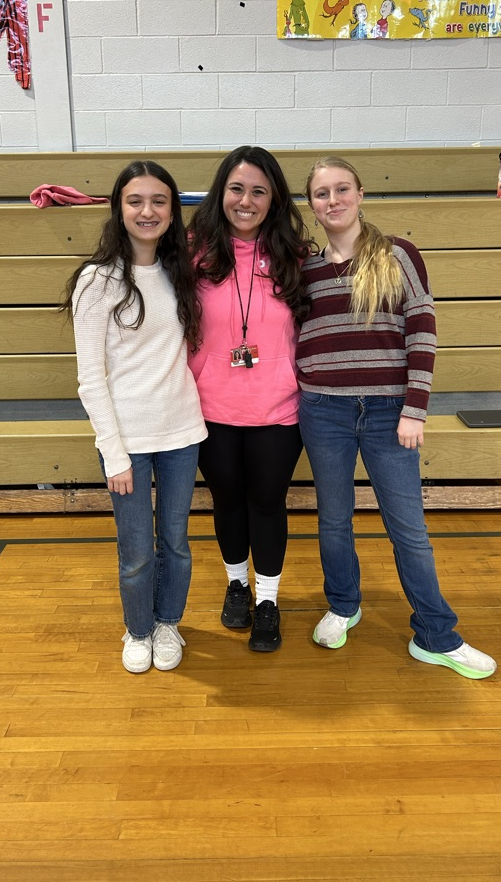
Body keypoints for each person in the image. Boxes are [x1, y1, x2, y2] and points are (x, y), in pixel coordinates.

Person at [296, 156, 497, 679]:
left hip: (390, 414)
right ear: (311, 205)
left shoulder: (397, 255)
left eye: (342, 189)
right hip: (323, 411)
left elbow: (422, 329)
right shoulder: (306, 270)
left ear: (361, 194)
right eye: (322, 193)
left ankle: (436, 634)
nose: (333, 200)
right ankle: (343, 605)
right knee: (333, 520)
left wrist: (415, 408)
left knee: (408, 529)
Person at [64, 161, 207, 675]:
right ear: (119, 209)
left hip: (182, 433)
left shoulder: (180, 272)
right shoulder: (96, 280)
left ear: (172, 211)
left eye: (159, 201)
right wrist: (114, 452)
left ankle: (168, 623)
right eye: (136, 201)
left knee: (175, 543)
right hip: (126, 440)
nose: (148, 211)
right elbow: (90, 378)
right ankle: (139, 629)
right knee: (137, 551)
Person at [188, 146, 312, 652]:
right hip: (209, 409)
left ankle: (268, 601)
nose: (246, 200)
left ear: (274, 200)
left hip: (278, 411)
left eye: (259, 191)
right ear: (221, 193)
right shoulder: (192, 253)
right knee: (227, 501)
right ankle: (237, 585)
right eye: (237, 189)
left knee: (267, 503)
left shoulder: (295, 258)